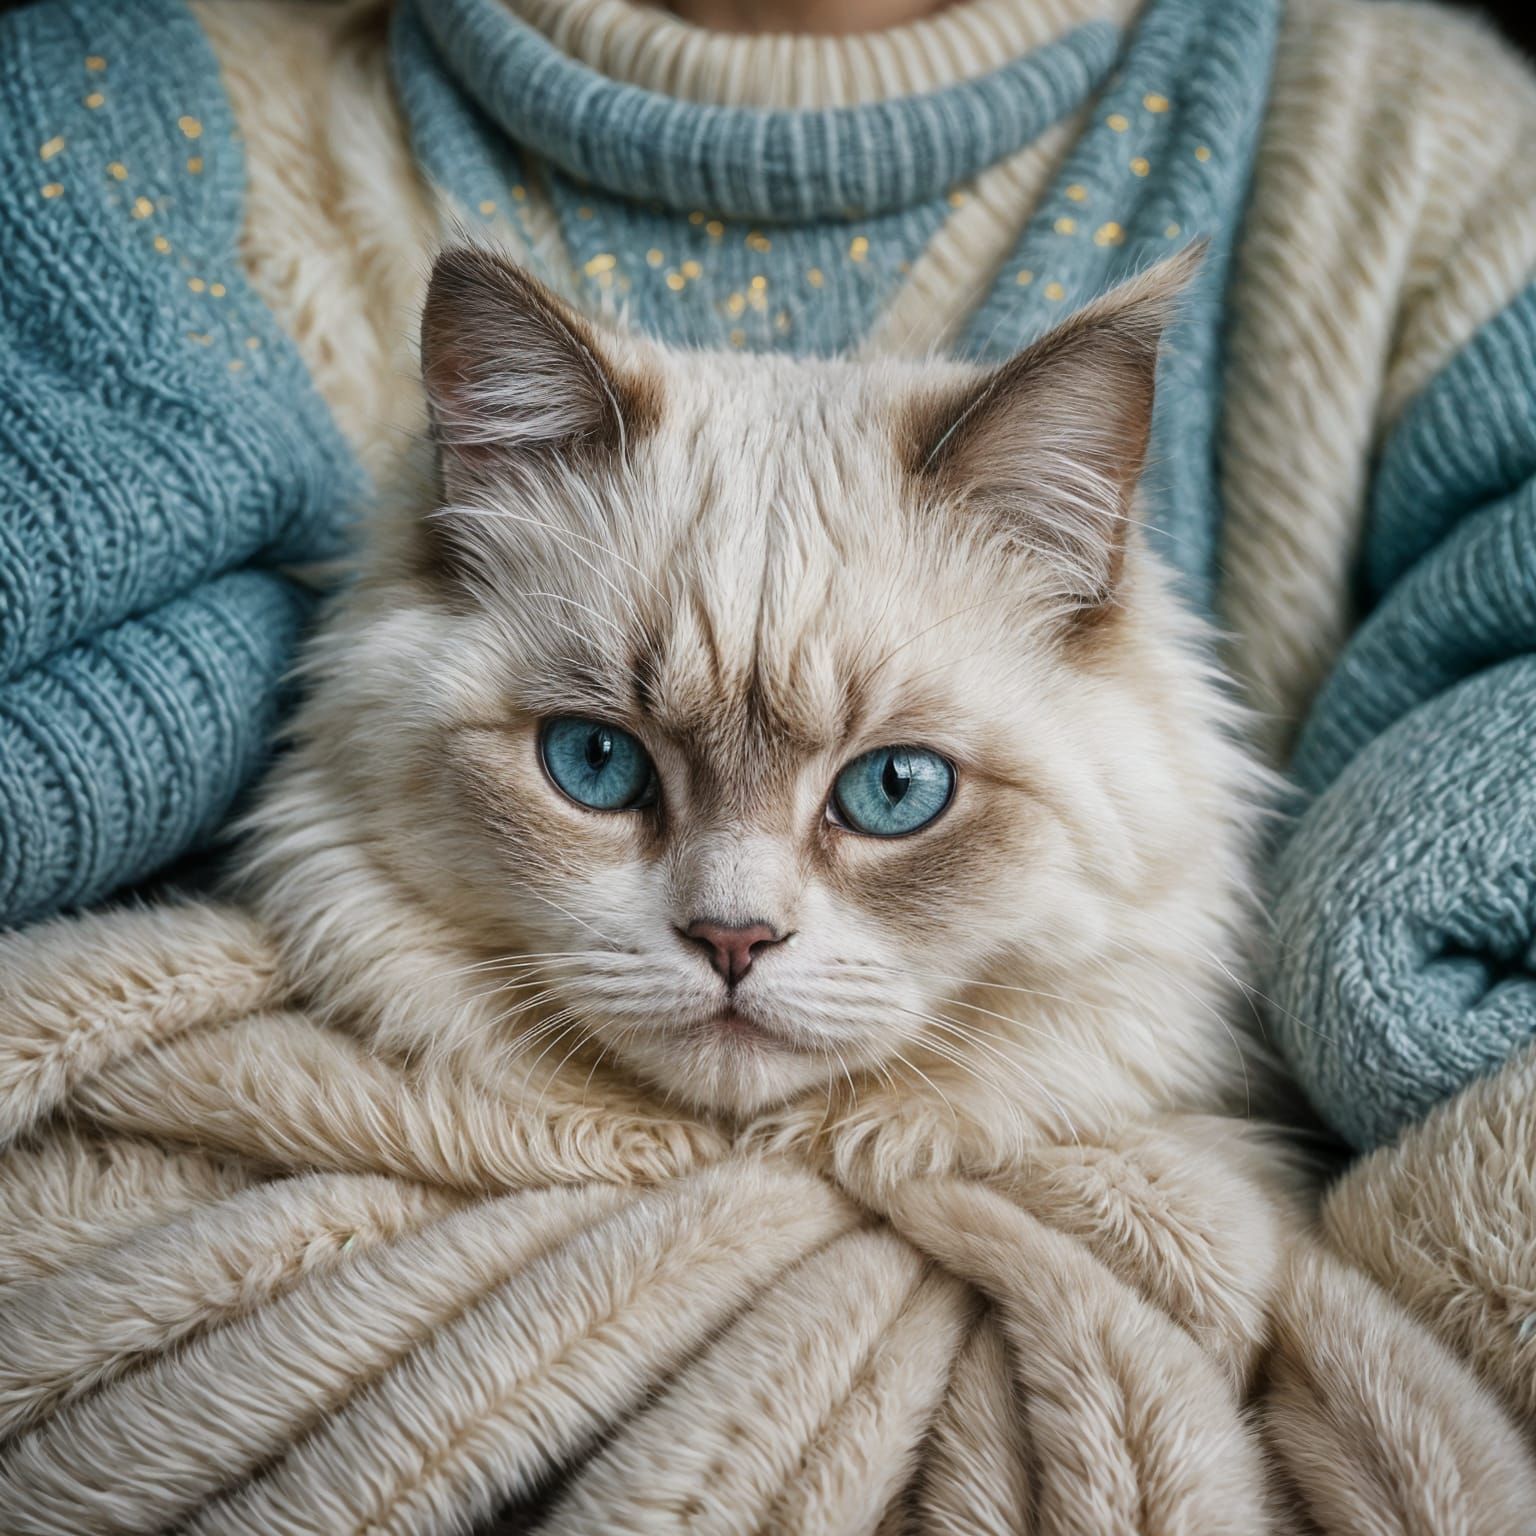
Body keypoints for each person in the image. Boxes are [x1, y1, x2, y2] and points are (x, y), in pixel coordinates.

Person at [2, 0, 1534, 1175]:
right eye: (596, 759)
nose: (734, 916)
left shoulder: (1431, 149)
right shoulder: (116, 110)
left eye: (893, 790)